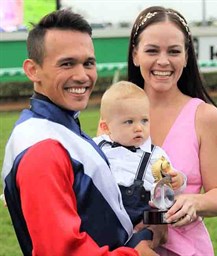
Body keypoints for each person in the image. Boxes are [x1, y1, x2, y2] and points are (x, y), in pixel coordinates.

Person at [1, 9, 160, 256]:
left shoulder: (58, 124)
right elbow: (61, 251)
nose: (82, 76)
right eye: (67, 63)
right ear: (33, 70)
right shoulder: (43, 146)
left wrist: (140, 233)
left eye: (88, 63)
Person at [126, 5, 217, 256]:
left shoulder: (205, 116)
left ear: (186, 56)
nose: (163, 61)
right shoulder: (118, 112)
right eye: (152, 50)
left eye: (174, 51)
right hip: (129, 248)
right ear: (136, 55)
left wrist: (195, 201)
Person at [94, 81, 187, 228]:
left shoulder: (155, 154)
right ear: (106, 127)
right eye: (129, 122)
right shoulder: (96, 147)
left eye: (144, 120)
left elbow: (167, 183)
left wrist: (178, 180)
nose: (138, 128)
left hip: (141, 221)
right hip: (105, 219)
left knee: (159, 218)